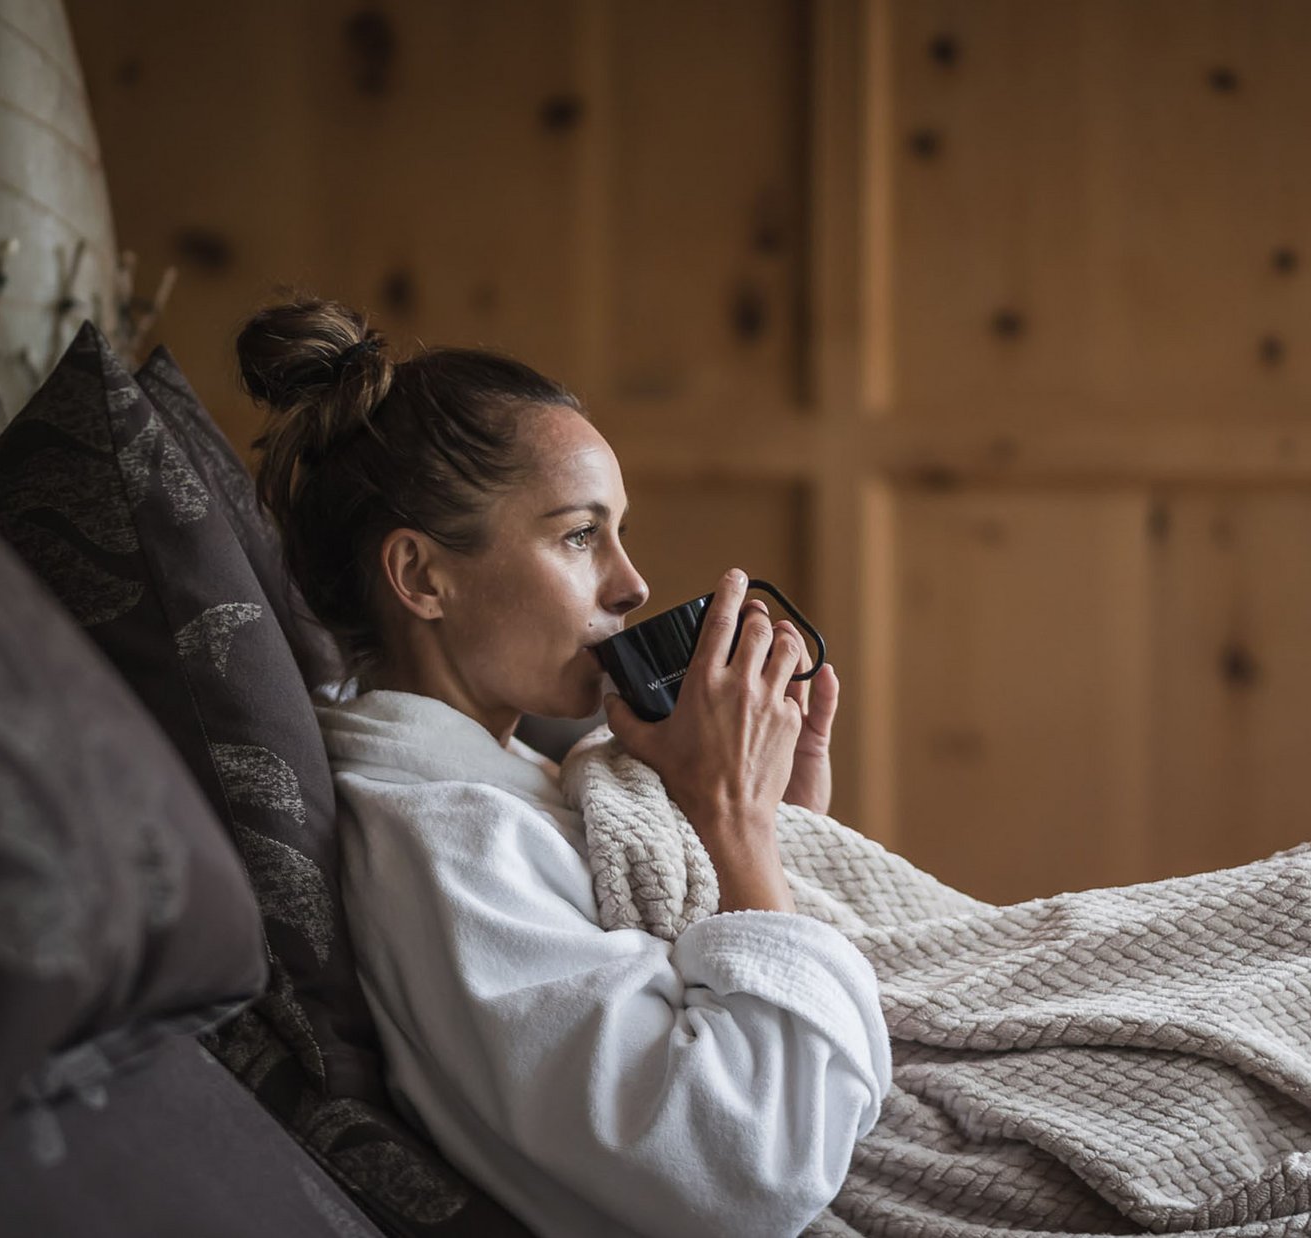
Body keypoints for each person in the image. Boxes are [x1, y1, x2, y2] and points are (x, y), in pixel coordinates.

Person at [240, 296, 887, 1238]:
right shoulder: (445, 849)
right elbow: (749, 1169)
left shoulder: (518, 785)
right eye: (581, 535)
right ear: (421, 576)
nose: (630, 584)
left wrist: (776, 833)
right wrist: (737, 830)